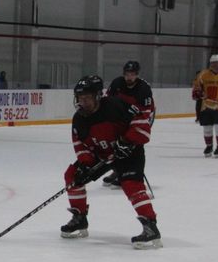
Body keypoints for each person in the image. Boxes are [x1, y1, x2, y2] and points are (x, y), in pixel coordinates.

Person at [61, 75, 162, 249]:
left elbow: (142, 124)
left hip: (129, 153)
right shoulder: (79, 119)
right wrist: (85, 164)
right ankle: (79, 218)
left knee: (131, 184)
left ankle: (151, 227)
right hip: (102, 155)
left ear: (98, 96)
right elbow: (80, 145)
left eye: (87, 98)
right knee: (72, 175)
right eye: (80, 98)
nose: (83, 102)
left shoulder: (117, 106)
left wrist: (128, 141)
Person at [103, 60, 156, 188]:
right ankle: (118, 171)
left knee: (135, 145)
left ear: (137, 74)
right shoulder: (117, 83)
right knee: (116, 145)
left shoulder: (144, 88)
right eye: (127, 74)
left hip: (141, 118)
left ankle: (136, 174)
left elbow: (145, 113)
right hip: (121, 118)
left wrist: (134, 132)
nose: (129, 77)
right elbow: (108, 101)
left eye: (132, 74)